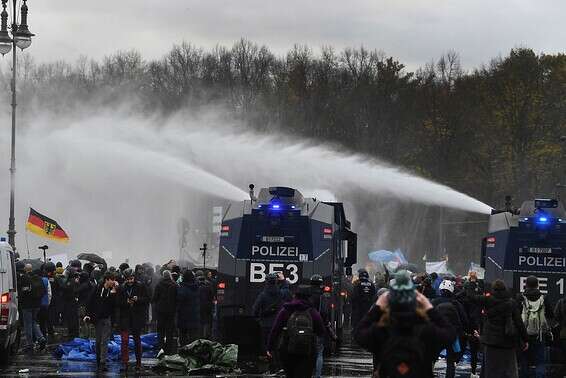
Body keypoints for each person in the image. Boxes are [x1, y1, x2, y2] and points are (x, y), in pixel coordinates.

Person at [354, 270, 456, 378]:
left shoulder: (382, 330)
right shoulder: (425, 330)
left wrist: (378, 307)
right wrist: (429, 308)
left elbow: (359, 334)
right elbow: (450, 334)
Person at [466, 279, 528, 378]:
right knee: (509, 370)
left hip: (491, 342)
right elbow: (519, 323)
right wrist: (525, 339)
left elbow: (470, 296)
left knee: (491, 371)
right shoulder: (511, 303)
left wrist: (472, 283)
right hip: (508, 342)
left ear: (493, 289)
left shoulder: (487, 300)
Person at [267, 285, 325, 378]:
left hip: (287, 350)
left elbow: (275, 330)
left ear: (295, 295)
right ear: (309, 296)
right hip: (307, 351)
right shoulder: (312, 312)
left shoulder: (286, 310)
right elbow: (321, 331)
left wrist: (269, 347)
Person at [517, 275, 553, 378]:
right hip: (540, 334)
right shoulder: (544, 298)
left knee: (524, 361)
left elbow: (515, 316)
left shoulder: (520, 297)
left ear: (525, 285)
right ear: (538, 285)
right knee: (540, 361)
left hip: (524, 335)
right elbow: (551, 315)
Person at [432, 279, 469, 378]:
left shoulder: (434, 302)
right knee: (451, 361)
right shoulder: (456, 303)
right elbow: (464, 319)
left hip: (437, 333)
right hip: (452, 335)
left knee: (431, 358)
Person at [85, 271, 118, 372]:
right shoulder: (97, 289)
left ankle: (103, 362)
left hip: (107, 318)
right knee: (98, 341)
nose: (113, 282)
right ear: (106, 280)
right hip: (97, 318)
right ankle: (99, 361)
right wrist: (88, 314)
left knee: (105, 341)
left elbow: (114, 306)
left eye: (114, 280)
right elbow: (90, 302)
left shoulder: (113, 291)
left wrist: (113, 293)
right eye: (112, 280)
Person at [118, 268, 149, 372]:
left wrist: (138, 299)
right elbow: (118, 303)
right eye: (128, 279)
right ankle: (125, 363)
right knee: (124, 340)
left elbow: (147, 299)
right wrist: (126, 302)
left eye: (131, 278)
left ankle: (138, 362)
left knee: (137, 341)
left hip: (137, 317)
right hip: (125, 317)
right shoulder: (122, 288)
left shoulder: (141, 286)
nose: (130, 281)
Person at [252, 273, 284, 361]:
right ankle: (276, 364)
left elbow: (255, 309)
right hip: (277, 323)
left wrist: (258, 319)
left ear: (266, 282)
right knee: (276, 344)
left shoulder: (263, 295)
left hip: (265, 324)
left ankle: (269, 363)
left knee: (266, 344)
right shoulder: (281, 294)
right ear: (276, 282)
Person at [18, 264, 47, 352]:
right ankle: (41, 338)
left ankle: (30, 344)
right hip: (37, 304)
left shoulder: (24, 278)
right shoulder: (38, 278)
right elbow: (43, 291)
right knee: (33, 322)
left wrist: (20, 300)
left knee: (28, 325)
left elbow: (22, 292)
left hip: (27, 305)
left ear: (25, 269)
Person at [152, 270, 177, 354]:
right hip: (171, 311)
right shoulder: (174, 285)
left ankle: (161, 347)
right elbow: (177, 298)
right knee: (169, 330)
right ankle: (169, 349)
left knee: (160, 330)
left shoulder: (159, 285)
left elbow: (154, 298)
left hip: (161, 311)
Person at [176, 270, 201, 346]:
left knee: (183, 336)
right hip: (195, 315)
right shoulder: (197, 287)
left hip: (184, 316)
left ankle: (184, 352)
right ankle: (192, 352)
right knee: (193, 336)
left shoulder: (182, 288)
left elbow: (179, 301)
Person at [196, 270, 214, 339]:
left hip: (199, 305)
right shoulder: (209, 285)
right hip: (207, 305)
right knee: (207, 321)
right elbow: (211, 295)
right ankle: (206, 335)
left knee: (200, 321)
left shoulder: (196, 285)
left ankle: (200, 336)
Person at [38, 266, 52, 341]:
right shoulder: (46, 280)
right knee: (47, 319)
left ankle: (41, 335)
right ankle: (49, 332)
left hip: (37, 304)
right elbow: (49, 293)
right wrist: (48, 302)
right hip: (45, 303)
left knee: (40, 322)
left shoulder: (36, 280)